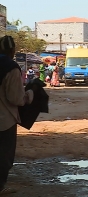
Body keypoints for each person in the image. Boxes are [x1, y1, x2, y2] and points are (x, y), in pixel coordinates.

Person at [0, 35, 34, 194]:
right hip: (4, 122)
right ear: (12, 51)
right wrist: (29, 95)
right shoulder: (11, 68)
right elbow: (16, 98)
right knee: (4, 159)